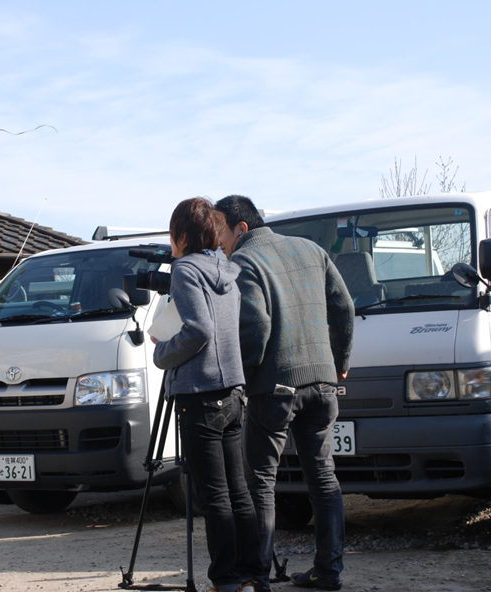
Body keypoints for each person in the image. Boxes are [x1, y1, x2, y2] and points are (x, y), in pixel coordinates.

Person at [215, 195, 354, 592]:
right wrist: (340, 359)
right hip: (324, 382)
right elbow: (343, 306)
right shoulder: (312, 250)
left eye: (220, 231)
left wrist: (242, 378)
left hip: (274, 388)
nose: (218, 241)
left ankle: (257, 576)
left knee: (260, 480)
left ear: (241, 228)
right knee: (323, 477)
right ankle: (328, 573)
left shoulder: (244, 261)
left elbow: (255, 328)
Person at [151, 197, 261, 592]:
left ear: (181, 234)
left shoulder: (184, 270)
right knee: (238, 490)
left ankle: (226, 580)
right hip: (233, 391)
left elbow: (197, 330)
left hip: (200, 393)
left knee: (215, 496)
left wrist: (162, 352)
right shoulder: (227, 269)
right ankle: (252, 573)